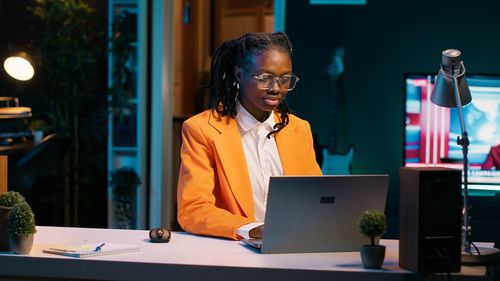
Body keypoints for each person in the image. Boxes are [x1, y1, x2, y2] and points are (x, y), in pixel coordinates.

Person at [177, 32, 322, 240]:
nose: (276, 88)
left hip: (293, 248)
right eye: (265, 78)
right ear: (238, 74)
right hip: (231, 254)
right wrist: (251, 229)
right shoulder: (202, 129)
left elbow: (315, 199)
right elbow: (193, 210)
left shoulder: (299, 130)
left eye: (284, 79)